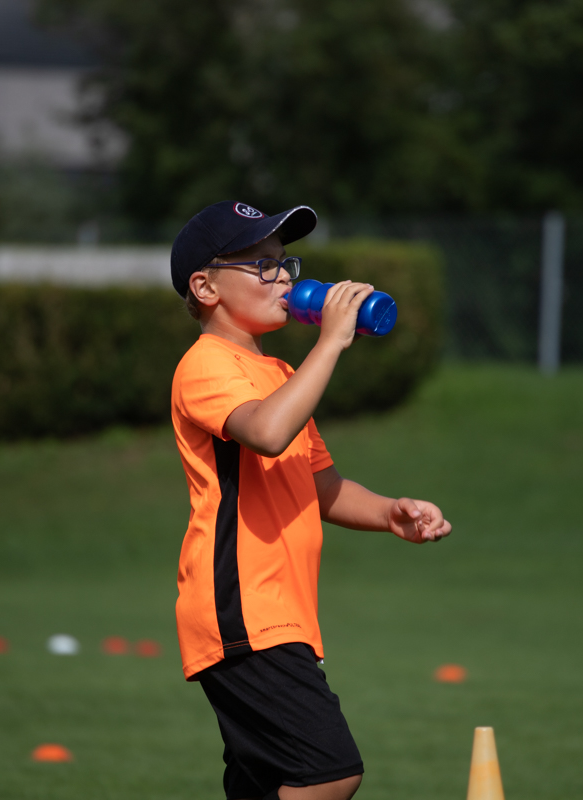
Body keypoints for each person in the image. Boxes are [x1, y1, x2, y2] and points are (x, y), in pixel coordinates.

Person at [169, 201, 452, 800]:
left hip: (282, 613)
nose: (284, 277)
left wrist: (389, 513)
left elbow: (318, 484)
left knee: (266, 785)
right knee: (330, 771)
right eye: (262, 265)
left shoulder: (279, 373)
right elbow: (267, 433)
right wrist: (332, 341)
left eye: (285, 262)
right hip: (242, 613)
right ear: (206, 287)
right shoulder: (204, 365)